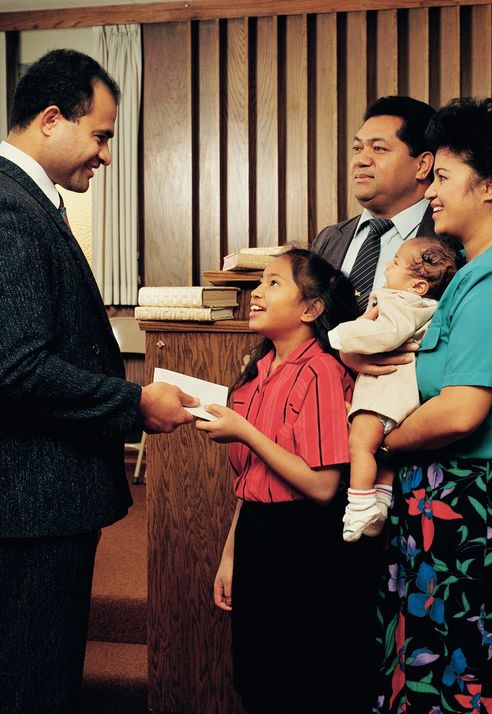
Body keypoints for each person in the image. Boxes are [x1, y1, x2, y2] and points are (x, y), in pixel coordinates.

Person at [0, 49, 198, 714]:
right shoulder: (11, 209)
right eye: (102, 136)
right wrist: (135, 401)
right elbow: (16, 367)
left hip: (36, 499)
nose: (106, 156)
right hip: (30, 503)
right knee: (34, 681)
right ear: (52, 119)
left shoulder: (30, 201)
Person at [369, 98, 492, 712]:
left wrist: (381, 443)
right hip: (440, 502)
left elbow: (461, 410)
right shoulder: (470, 271)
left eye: (444, 177)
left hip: (468, 509)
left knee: (457, 668)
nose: (433, 192)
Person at [196, 248, 359, 713]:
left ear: (311, 309)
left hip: (305, 541)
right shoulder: (257, 373)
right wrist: (231, 553)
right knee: (255, 676)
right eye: (259, 283)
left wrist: (245, 431)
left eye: (272, 283)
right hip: (257, 535)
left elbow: (324, 486)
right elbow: (252, 479)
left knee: (298, 681)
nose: (256, 294)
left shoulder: (323, 371)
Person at [328, 237, 461, 542]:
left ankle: (359, 506)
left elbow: (387, 334)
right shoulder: (426, 306)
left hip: (382, 392)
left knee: (360, 445)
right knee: (386, 457)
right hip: (404, 398)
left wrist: (343, 336)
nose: (388, 265)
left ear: (418, 286)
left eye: (397, 262)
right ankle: (380, 505)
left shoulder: (397, 301)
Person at [311, 95, 439, 312]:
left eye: (378, 149)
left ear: (423, 165)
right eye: (357, 148)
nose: (360, 160)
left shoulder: (450, 240)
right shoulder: (329, 239)